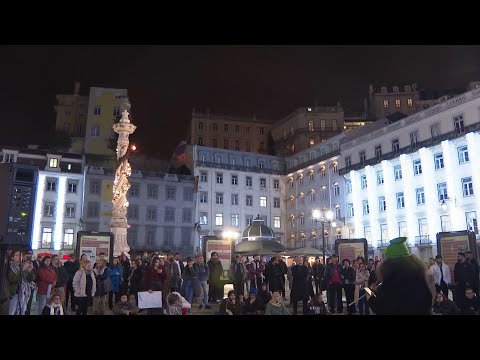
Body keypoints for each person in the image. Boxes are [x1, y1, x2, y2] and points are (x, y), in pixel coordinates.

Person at [366, 237, 432, 315]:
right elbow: (428, 300)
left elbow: (381, 307)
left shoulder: (389, 282)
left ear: (387, 264)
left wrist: (369, 294)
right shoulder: (419, 278)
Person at [6, 251, 35, 315]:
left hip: (23, 292)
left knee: (21, 311)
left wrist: (30, 270)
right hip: (13, 292)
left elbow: (30, 279)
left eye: (21, 255)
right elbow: (13, 279)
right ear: (12, 257)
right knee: (11, 312)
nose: (19, 257)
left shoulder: (22, 265)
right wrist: (22, 270)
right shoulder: (9, 266)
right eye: (17, 255)